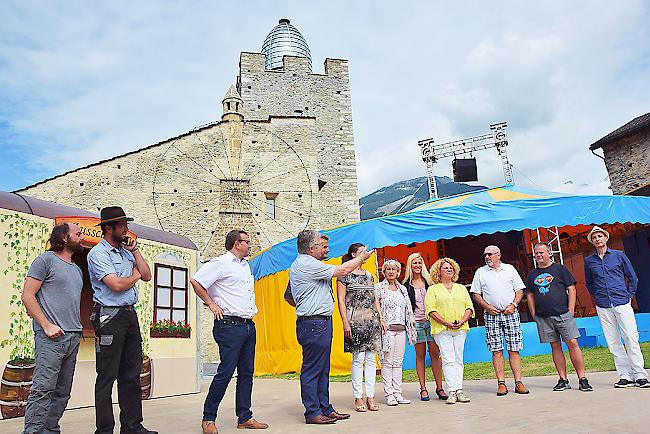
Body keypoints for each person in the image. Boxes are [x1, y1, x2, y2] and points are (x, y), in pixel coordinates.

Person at [286, 230, 373, 424]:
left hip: (318, 322)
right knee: (312, 369)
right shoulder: (306, 264)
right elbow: (342, 271)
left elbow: (289, 296)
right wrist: (360, 258)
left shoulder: (307, 265)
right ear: (311, 248)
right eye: (321, 245)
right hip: (313, 322)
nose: (326, 248)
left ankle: (325, 408)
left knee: (322, 368)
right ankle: (313, 412)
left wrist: (306, 302)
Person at [190, 230, 269, 434]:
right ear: (236, 244)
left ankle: (245, 417)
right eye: (247, 242)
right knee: (225, 372)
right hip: (229, 326)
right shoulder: (220, 263)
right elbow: (196, 281)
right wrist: (211, 304)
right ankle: (208, 418)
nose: (249, 245)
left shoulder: (245, 266)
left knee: (246, 374)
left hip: (248, 325)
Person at [87, 206, 155, 434]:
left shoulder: (126, 252)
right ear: (109, 228)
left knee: (131, 373)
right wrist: (134, 275)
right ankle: (104, 429)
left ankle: (132, 426)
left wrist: (135, 252)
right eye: (123, 225)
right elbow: (115, 285)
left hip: (128, 314)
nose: (127, 229)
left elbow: (147, 275)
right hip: (108, 315)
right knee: (107, 376)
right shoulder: (98, 254)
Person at [21, 223, 84, 434]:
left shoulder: (76, 269)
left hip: (73, 335)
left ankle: (50, 430)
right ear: (64, 238)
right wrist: (46, 325)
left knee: (62, 391)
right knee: (43, 388)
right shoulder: (45, 260)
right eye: (78, 233)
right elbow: (28, 296)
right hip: (51, 337)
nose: (82, 236)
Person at [583, 226, 648, 388]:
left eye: (600, 236)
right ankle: (624, 375)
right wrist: (597, 297)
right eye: (595, 237)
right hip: (603, 304)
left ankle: (640, 374)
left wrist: (629, 295)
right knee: (613, 341)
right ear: (592, 242)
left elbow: (632, 277)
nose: (598, 239)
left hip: (622, 301)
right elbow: (589, 283)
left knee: (631, 337)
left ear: (606, 238)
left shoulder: (619, 256)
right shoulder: (589, 261)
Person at [525, 243, 593, 392]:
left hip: (562, 314)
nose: (538, 255)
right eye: (536, 253)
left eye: (541, 252)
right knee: (555, 346)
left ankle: (582, 379)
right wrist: (533, 313)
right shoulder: (532, 274)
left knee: (572, 343)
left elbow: (572, 288)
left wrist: (570, 309)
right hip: (543, 317)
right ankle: (563, 379)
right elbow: (530, 295)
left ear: (549, 253)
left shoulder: (560, 269)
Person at [470, 245, 529, 396]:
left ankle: (519, 382)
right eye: (485, 254)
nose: (487, 257)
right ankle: (501, 383)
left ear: (498, 255)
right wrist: (487, 306)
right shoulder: (480, 272)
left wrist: (514, 305)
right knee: (496, 350)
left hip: (510, 313)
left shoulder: (509, 269)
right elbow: (475, 293)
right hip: (492, 315)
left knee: (514, 348)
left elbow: (520, 289)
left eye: (490, 254)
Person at [336, 243, 383, 412]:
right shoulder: (344, 275)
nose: (366, 254)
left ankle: (370, 396)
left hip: (372, 321)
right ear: (353, 254)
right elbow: (341, 300)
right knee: (358, 360)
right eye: (362, 251)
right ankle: (358, 397)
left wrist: (381, 318)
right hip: (354, 322)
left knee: (371, 360)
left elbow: (374, 298)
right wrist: (345, 322)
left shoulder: (369, 276)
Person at [425, 257, 474, 404]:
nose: (449, 269)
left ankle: (460, 390)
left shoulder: (461, 288)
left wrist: (463, 320)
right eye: (445, 267)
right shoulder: (432, 289)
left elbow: (469, 307)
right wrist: (445, 322)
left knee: (458, 359)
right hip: (442, 329)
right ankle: (452, 391)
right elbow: (431, 310)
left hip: (460, 328)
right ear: (438, 272)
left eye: (451, 267)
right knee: (448, 359)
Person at [402, 252, 447, 401]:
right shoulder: (406, 286)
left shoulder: (430, 283)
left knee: (435, 354)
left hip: (432, 322)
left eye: (419, 263)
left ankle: (440, 387)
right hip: (417, 324)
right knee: (420, 356)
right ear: (410, 265)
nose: (417, 265)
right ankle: (423, 388)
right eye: (414, 263)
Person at [375, 259, 416, 407]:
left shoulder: (402, 289)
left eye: (394, 269)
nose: (391, 271)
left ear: (398, 272)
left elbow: (407, 309)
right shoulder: (379, 287)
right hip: (387, 330)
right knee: (387, 362)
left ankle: (398, 393)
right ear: (384, 272)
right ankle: (389, 394)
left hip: (401, 329)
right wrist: (381, 320)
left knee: (398, 363)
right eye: (388, 269)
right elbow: (377, 305)